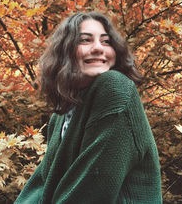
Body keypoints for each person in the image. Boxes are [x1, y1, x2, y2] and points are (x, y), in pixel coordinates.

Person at [15, 12, 162, 203]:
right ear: (65, 51)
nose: (99, 48)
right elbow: (44, 183)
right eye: (85, 40)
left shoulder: (115, 87)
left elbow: (91, 189)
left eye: (106, 42)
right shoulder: (61, 114)